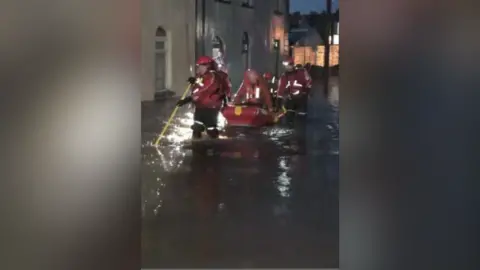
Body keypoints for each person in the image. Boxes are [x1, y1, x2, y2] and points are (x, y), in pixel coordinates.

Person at [177, 56, 224, 139]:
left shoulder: (212, 76)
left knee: (211, 130)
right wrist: (194, 82)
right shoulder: (200, 76)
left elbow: (204, 88)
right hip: (200, 106)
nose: (199, 68)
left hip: (211, 108)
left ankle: (214, 146)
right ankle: (196, 147)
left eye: (201, 66)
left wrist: (188, 99)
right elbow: (198, 87)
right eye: (198, 66)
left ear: (207, 66)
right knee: (196, 127)